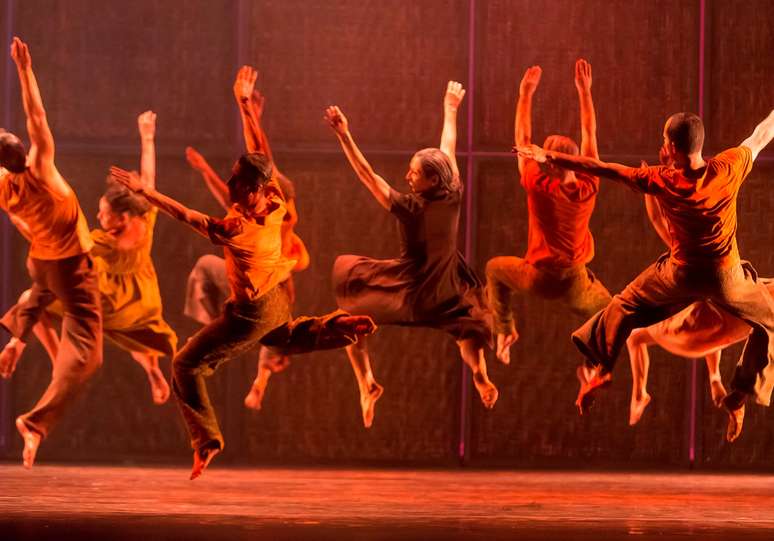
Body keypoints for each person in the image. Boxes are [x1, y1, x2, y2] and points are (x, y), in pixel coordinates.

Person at [517, 107, 774, 443]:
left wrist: (549, 156)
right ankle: (740, 392)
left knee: (624, 305)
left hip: (680, 275)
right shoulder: (729, 167)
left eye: (664, 142)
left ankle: (603, 370)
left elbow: (605, 169)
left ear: (672, 148)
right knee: (769, 321)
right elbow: (761, 134)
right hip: (726, 276)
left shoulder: (661, 178)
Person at [111, 153, 374, 480]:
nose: (231, 185)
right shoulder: (277, 202)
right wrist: (246, 107)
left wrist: (145, 191)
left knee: (184, 364)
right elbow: (261, 150)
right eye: (233, 177)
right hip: (278, 299)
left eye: (241, 183)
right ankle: (341, 327)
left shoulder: (236, 227)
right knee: (284, 339)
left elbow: (184, 214)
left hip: (249, 314)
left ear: (257, 189)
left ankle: (206, 440)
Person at [325, 81, 497, 429]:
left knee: (348, 317)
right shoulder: (453, 193)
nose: (407, 176)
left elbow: (366, 175)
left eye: (414, 173)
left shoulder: (409, 207)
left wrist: (344, 135)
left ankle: (366, 383)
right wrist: (451, 109)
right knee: (470, 328)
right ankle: (479, 373)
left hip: (412, 292)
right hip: (448, 288)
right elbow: (448, 147)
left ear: (431, 180)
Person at [3, 111, 177, 405]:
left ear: (121, 218)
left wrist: (15, 213)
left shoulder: (100, 242)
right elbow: (149, 180)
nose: (98, 216)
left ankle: (60, 360)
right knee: (141, 332)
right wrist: (148, 137)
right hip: (142, 300)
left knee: (26, 301)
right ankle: (153, 371)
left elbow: (42, 237)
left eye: (103, 212)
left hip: (104, 298)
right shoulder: (145, 219)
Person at [0, 37, 102, 468]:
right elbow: (36, 115)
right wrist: (25, 69)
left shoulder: (4, 188)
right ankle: (36, 423)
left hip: (39, 262)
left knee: (37, 294)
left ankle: (18, 336)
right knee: (89, 352)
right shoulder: (42, 169)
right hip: (71, 266)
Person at [184, 66, 310, 410]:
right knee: (206, 270)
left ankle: (261, 380)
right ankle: (222, 327)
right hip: (257, 275)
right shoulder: (258, 205)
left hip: (275, 275)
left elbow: (263, 158)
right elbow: (251, 170)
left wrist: (246, 106)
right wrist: (251, 113)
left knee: (277, 328)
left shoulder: (280, 210)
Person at [486, 60, 611, 364]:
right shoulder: (589, 186)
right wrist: (585, 92)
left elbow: (522, 140)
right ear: (576, 161)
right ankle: (595, 363)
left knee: (494, 270)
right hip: (575, 280)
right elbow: (589, 132)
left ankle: (503, 331)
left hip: (538, 278)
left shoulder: (536, 183)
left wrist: (525, 94)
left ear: (548, 162)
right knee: (611, 309)